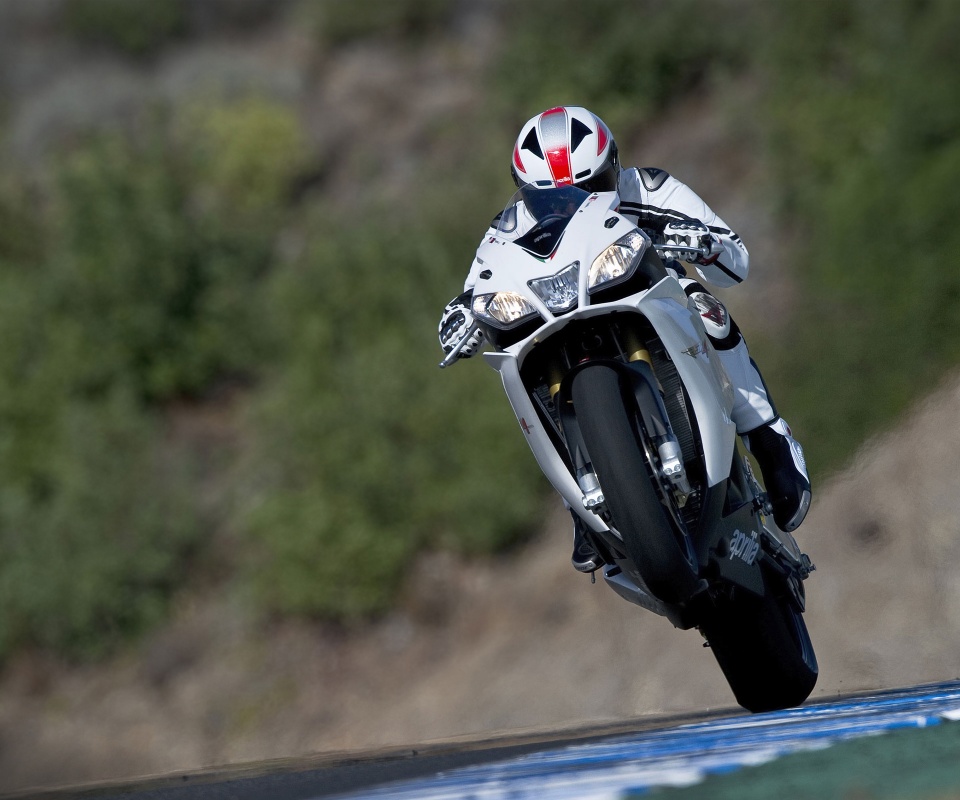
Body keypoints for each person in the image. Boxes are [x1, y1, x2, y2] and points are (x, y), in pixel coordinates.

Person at [439, 106, 811, 573]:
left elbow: (735, 260)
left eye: (592, 186)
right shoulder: (504, 231)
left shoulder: (648, 189)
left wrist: (704, 242)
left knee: (705, 306)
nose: (573, 204)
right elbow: (479, 285)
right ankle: (579, 504)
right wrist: (460, 314)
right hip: (559, 315)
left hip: (648, 296)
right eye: (548, 199)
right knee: (516, 365)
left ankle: (767, 435)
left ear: (613, 164)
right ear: (524, 191)